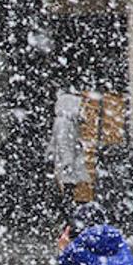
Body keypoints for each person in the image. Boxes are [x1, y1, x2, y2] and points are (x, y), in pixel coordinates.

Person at [49, 90, 88, 220]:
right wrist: (67, 161)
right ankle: (67, 217)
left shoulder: (66, 122)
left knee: (69, 189)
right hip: (67, 164)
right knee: (68, 189)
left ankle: (66, 216)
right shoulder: (65, 123)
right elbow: (63, 143)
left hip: (67, 163)